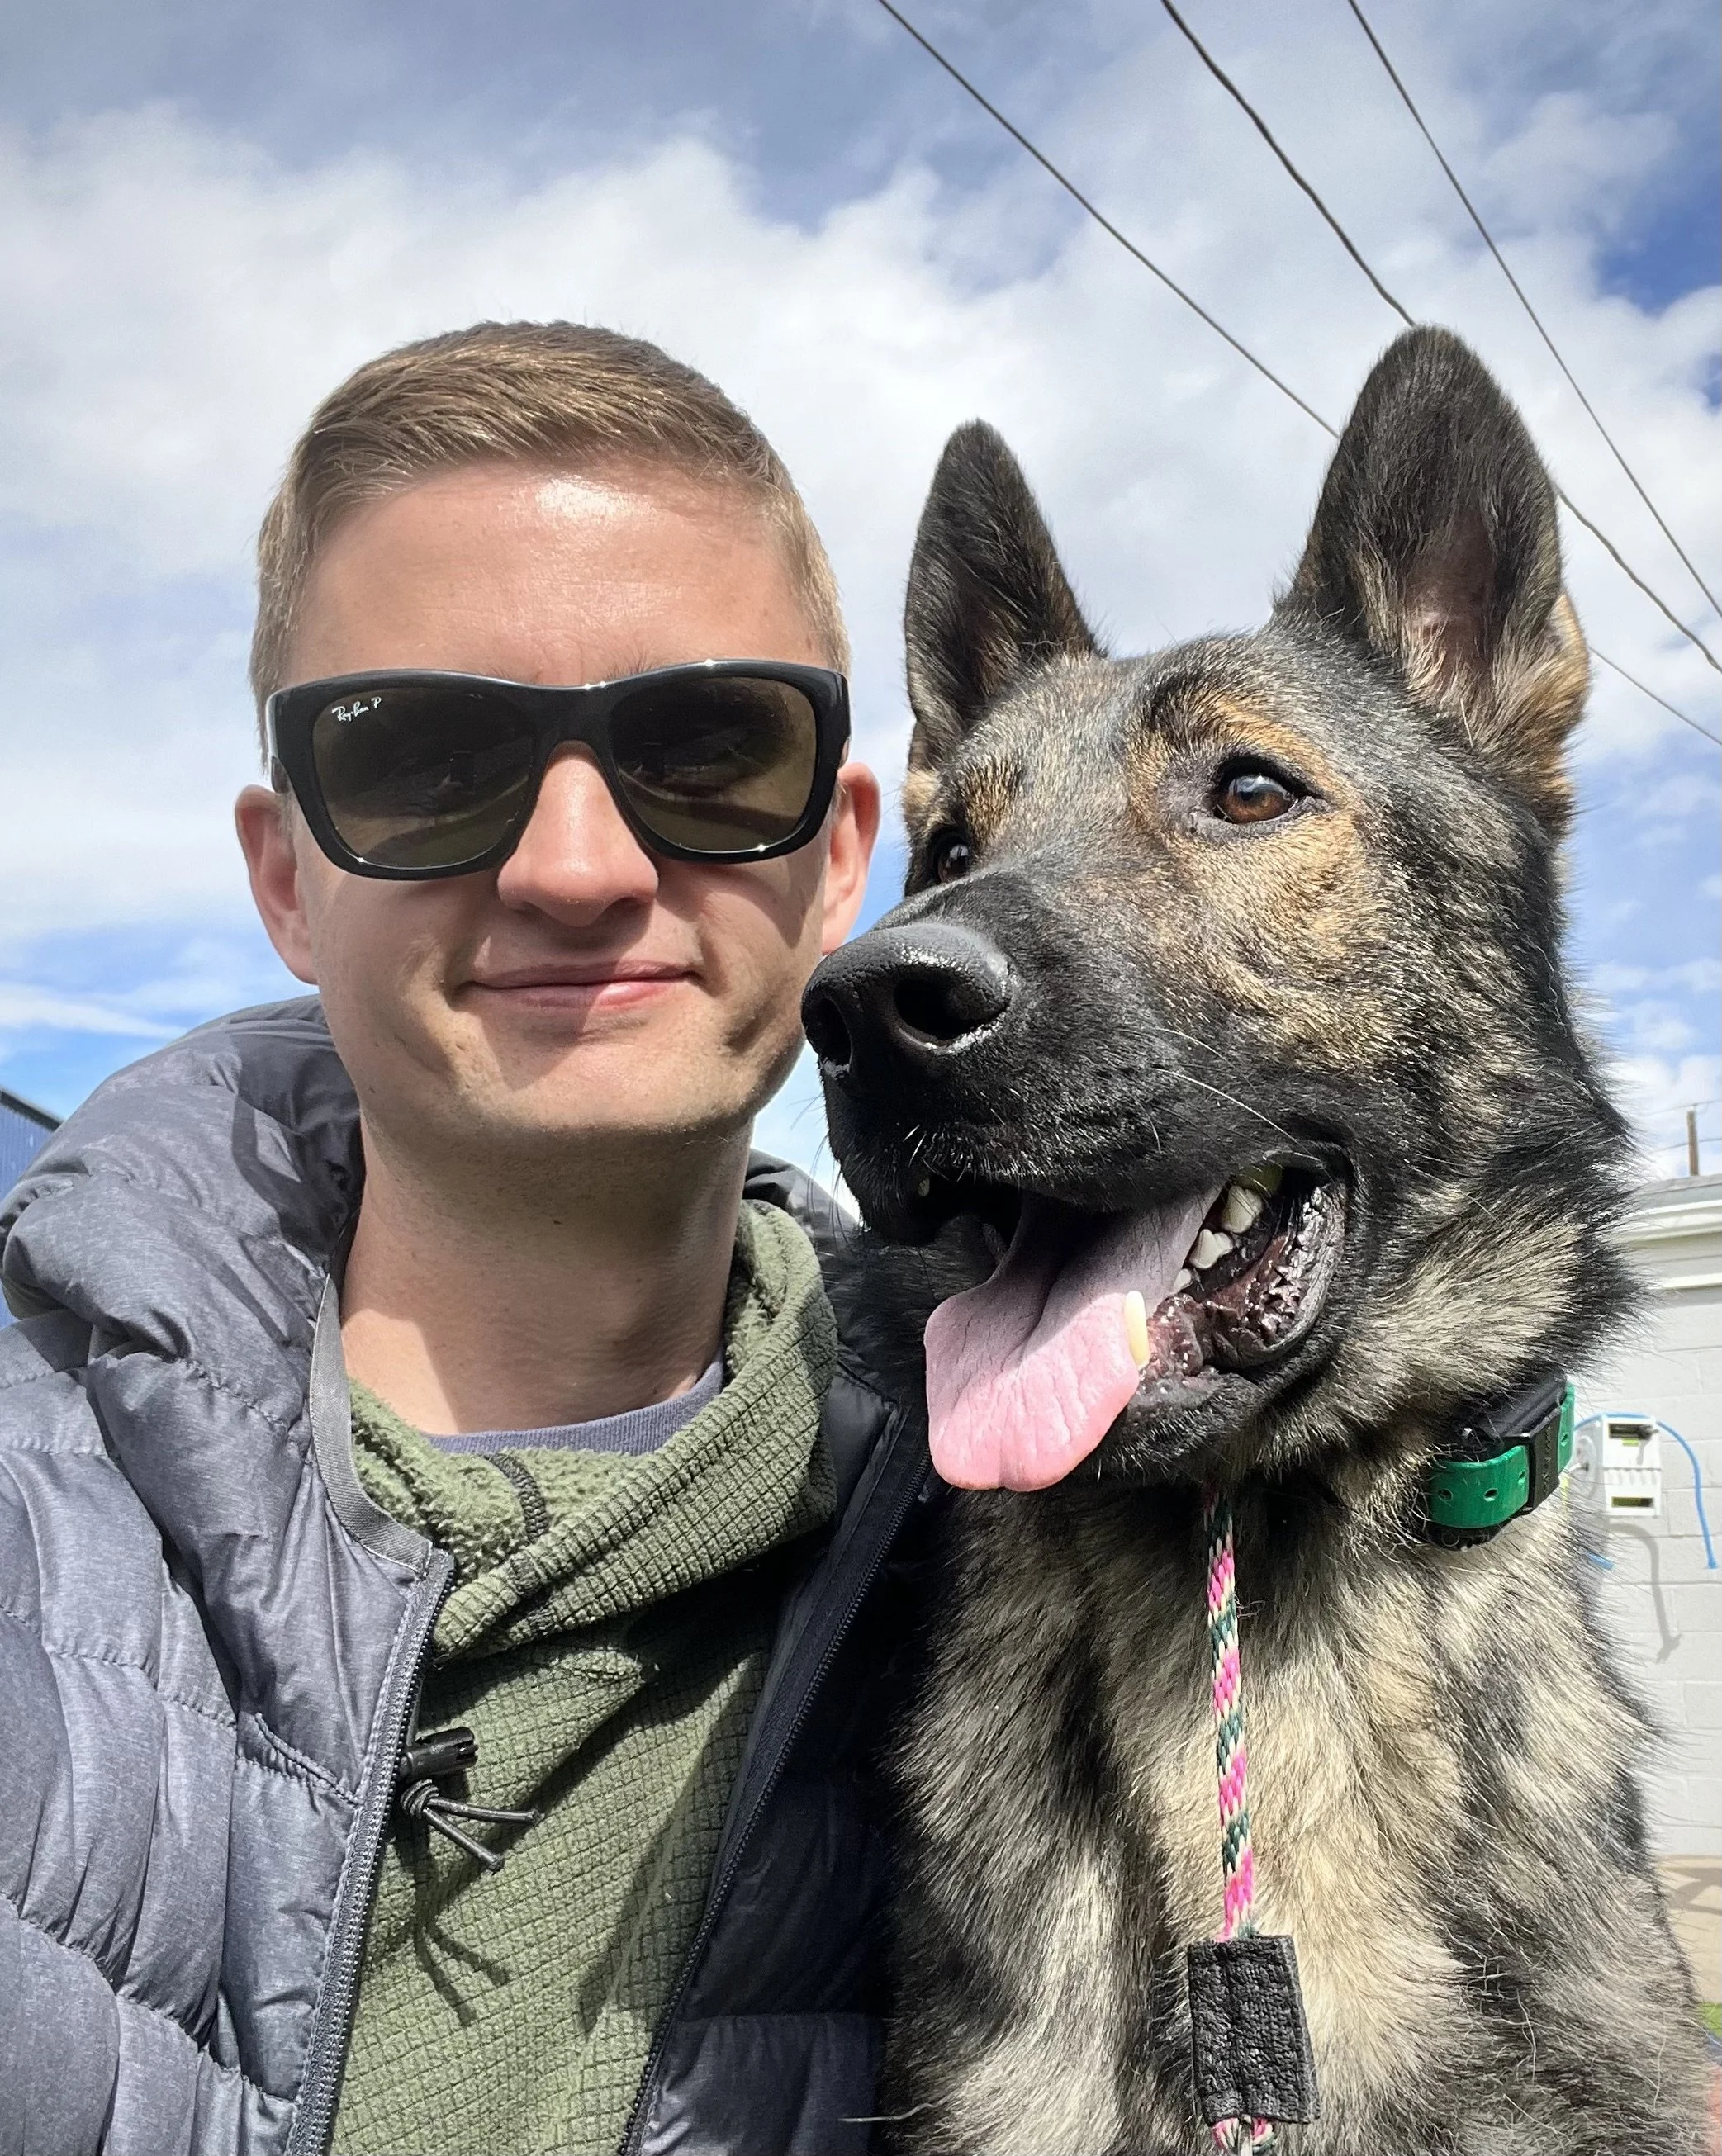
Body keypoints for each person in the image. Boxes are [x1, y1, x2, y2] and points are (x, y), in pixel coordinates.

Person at [0, 322, 941, 2156]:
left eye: (704, 745)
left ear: (840, 856)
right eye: (426, 759)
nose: (576, 865)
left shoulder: (1045, 1563)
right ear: (286, 879)